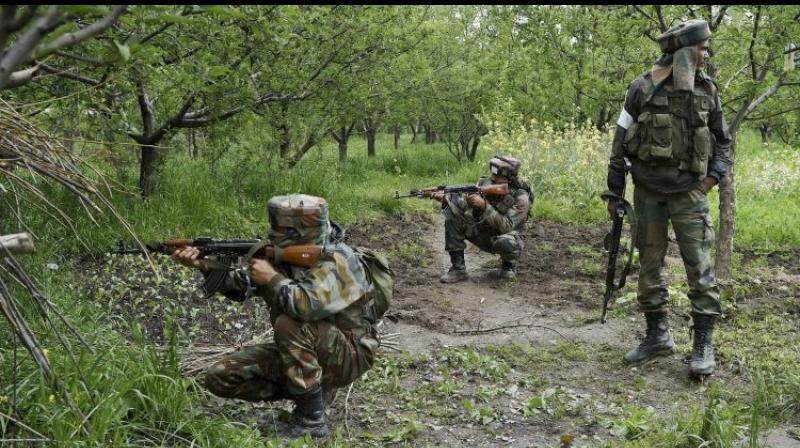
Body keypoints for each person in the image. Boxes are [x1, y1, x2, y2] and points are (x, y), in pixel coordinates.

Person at [171, 194, 384, 439]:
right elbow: (240, 287)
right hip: (313, 351)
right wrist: (204, 265)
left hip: (349, 355)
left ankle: (312, 422)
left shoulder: (339, 260)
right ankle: (312, 389)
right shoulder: (282, 255)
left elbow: (305, 306)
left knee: (290, 323)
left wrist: (271, 278)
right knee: (221, 376)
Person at [603, 20, 733, 377]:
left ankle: (702, 346)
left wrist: (710, 179)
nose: (707, 55)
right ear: (686, 51)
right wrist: (614, 192)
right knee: (649, 267)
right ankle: (657, 337)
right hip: (648, 195)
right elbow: (619, 144)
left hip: (689, 194)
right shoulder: (641, 88)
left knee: (700, 269)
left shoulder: (708, 91)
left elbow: (723, 142)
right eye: (703, 49)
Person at [432, 155, 532, 282]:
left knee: (505, 242)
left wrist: (485, 206)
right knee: (453, 220)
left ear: (509, 178)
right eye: (492, 174)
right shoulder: (485, 184)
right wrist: (446, 198)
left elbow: (507, 226)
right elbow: (463, 206)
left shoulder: (520, 197)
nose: (493, 178)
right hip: (483, 233)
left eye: (498, 176)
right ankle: (458, 269)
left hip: (506, 239)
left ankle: (508, 267)